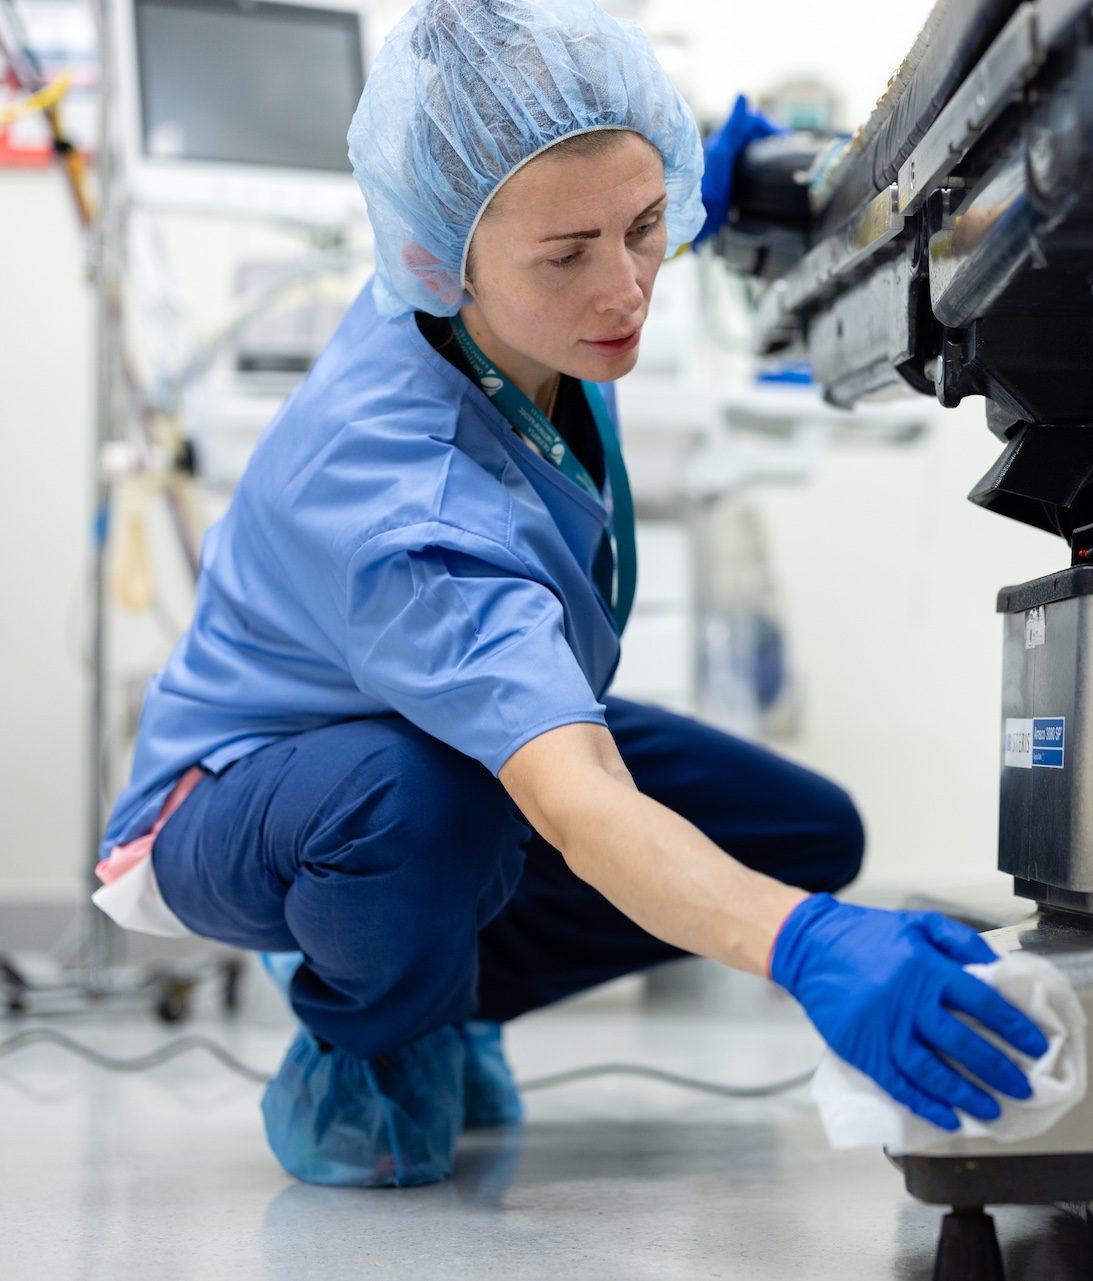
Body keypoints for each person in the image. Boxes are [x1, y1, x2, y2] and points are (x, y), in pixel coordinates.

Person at [97, 0, 1045, 1188]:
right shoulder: (403, 490)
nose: (625, 289)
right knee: (420, 810)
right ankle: (370, 1036)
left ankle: (442, 975)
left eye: (648, 225)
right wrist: (800, 950)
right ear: (440, 257)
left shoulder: (529, 308)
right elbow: (581, 800)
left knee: (801, 830)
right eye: (568, 257)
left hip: (412, 741)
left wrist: (750, 173)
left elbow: (578, 172)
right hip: (244, 795)